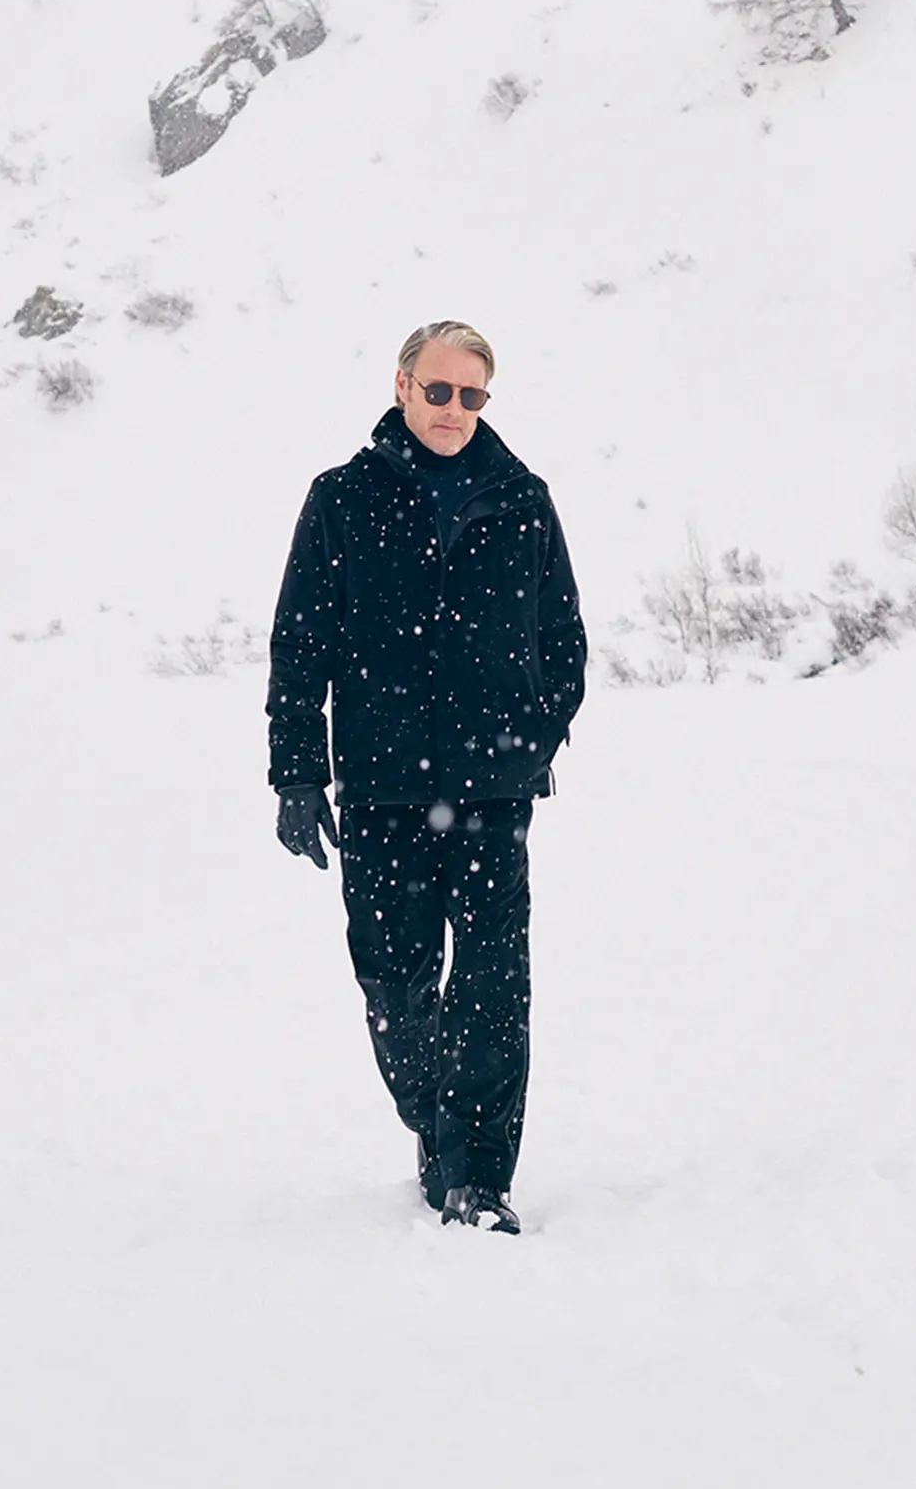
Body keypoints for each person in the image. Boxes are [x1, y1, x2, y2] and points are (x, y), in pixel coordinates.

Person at [265, 320, 586, 1235]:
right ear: (403, 385)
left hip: (491, 796)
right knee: (395, 986)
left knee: (491, 985)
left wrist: (533, 740)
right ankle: (433, 1120)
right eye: (439, 391)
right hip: (381, 794)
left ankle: (477, 1180)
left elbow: (563, 643)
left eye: (472, 396)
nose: (454, 411)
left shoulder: (522, 499)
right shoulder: (342, 499)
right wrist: (297, 774)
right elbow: (301, 647)